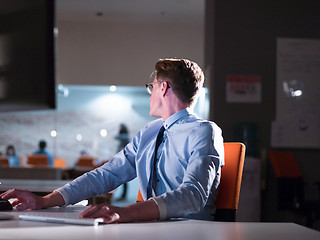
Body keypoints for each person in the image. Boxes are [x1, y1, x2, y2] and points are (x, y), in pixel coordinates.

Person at [0, 58, 224, 223]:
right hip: (151, 230)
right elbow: (107, 174)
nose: (151, 93)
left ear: (163, 88)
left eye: (152, 87)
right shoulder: (149, 132)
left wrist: (127, 212)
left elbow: (193, 195)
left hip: (192, 231)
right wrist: (46, 200)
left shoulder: (204, 131)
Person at [114, 123, 130, 201]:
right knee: (123, 179)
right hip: (122, 160)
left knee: (123, 179)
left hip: (123, 161)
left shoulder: (125, 136)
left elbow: (115, 137)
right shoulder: (125, 137)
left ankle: (123, 196)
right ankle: (122, 195)